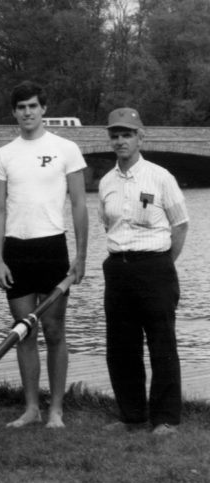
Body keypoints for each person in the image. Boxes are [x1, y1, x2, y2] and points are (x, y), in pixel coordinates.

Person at [0, 81, 88, 429]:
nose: (27, 112)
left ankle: (56, 411)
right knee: (24, 331)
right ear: (14, 112)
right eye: (21, 107)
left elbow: (78, 204)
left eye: (33, 106)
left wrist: (81, 256)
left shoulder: (66, 149)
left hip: (52, 248)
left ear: (43, 109)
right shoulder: (4, 154)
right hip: (16, 250)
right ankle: (31, 407)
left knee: (54, 330)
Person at [98, 108, 188, 435]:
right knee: (122, 346)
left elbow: (180, 225)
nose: (120, 141)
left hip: (155, 268)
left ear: (140, 137)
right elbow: (108, 223)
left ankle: (165, 418)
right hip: (118, 269)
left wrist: (163, 264)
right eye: (115, 135)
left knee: (162, 344)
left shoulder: (160, 177)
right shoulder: (106, 181)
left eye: (127, 134)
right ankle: (132, 415)